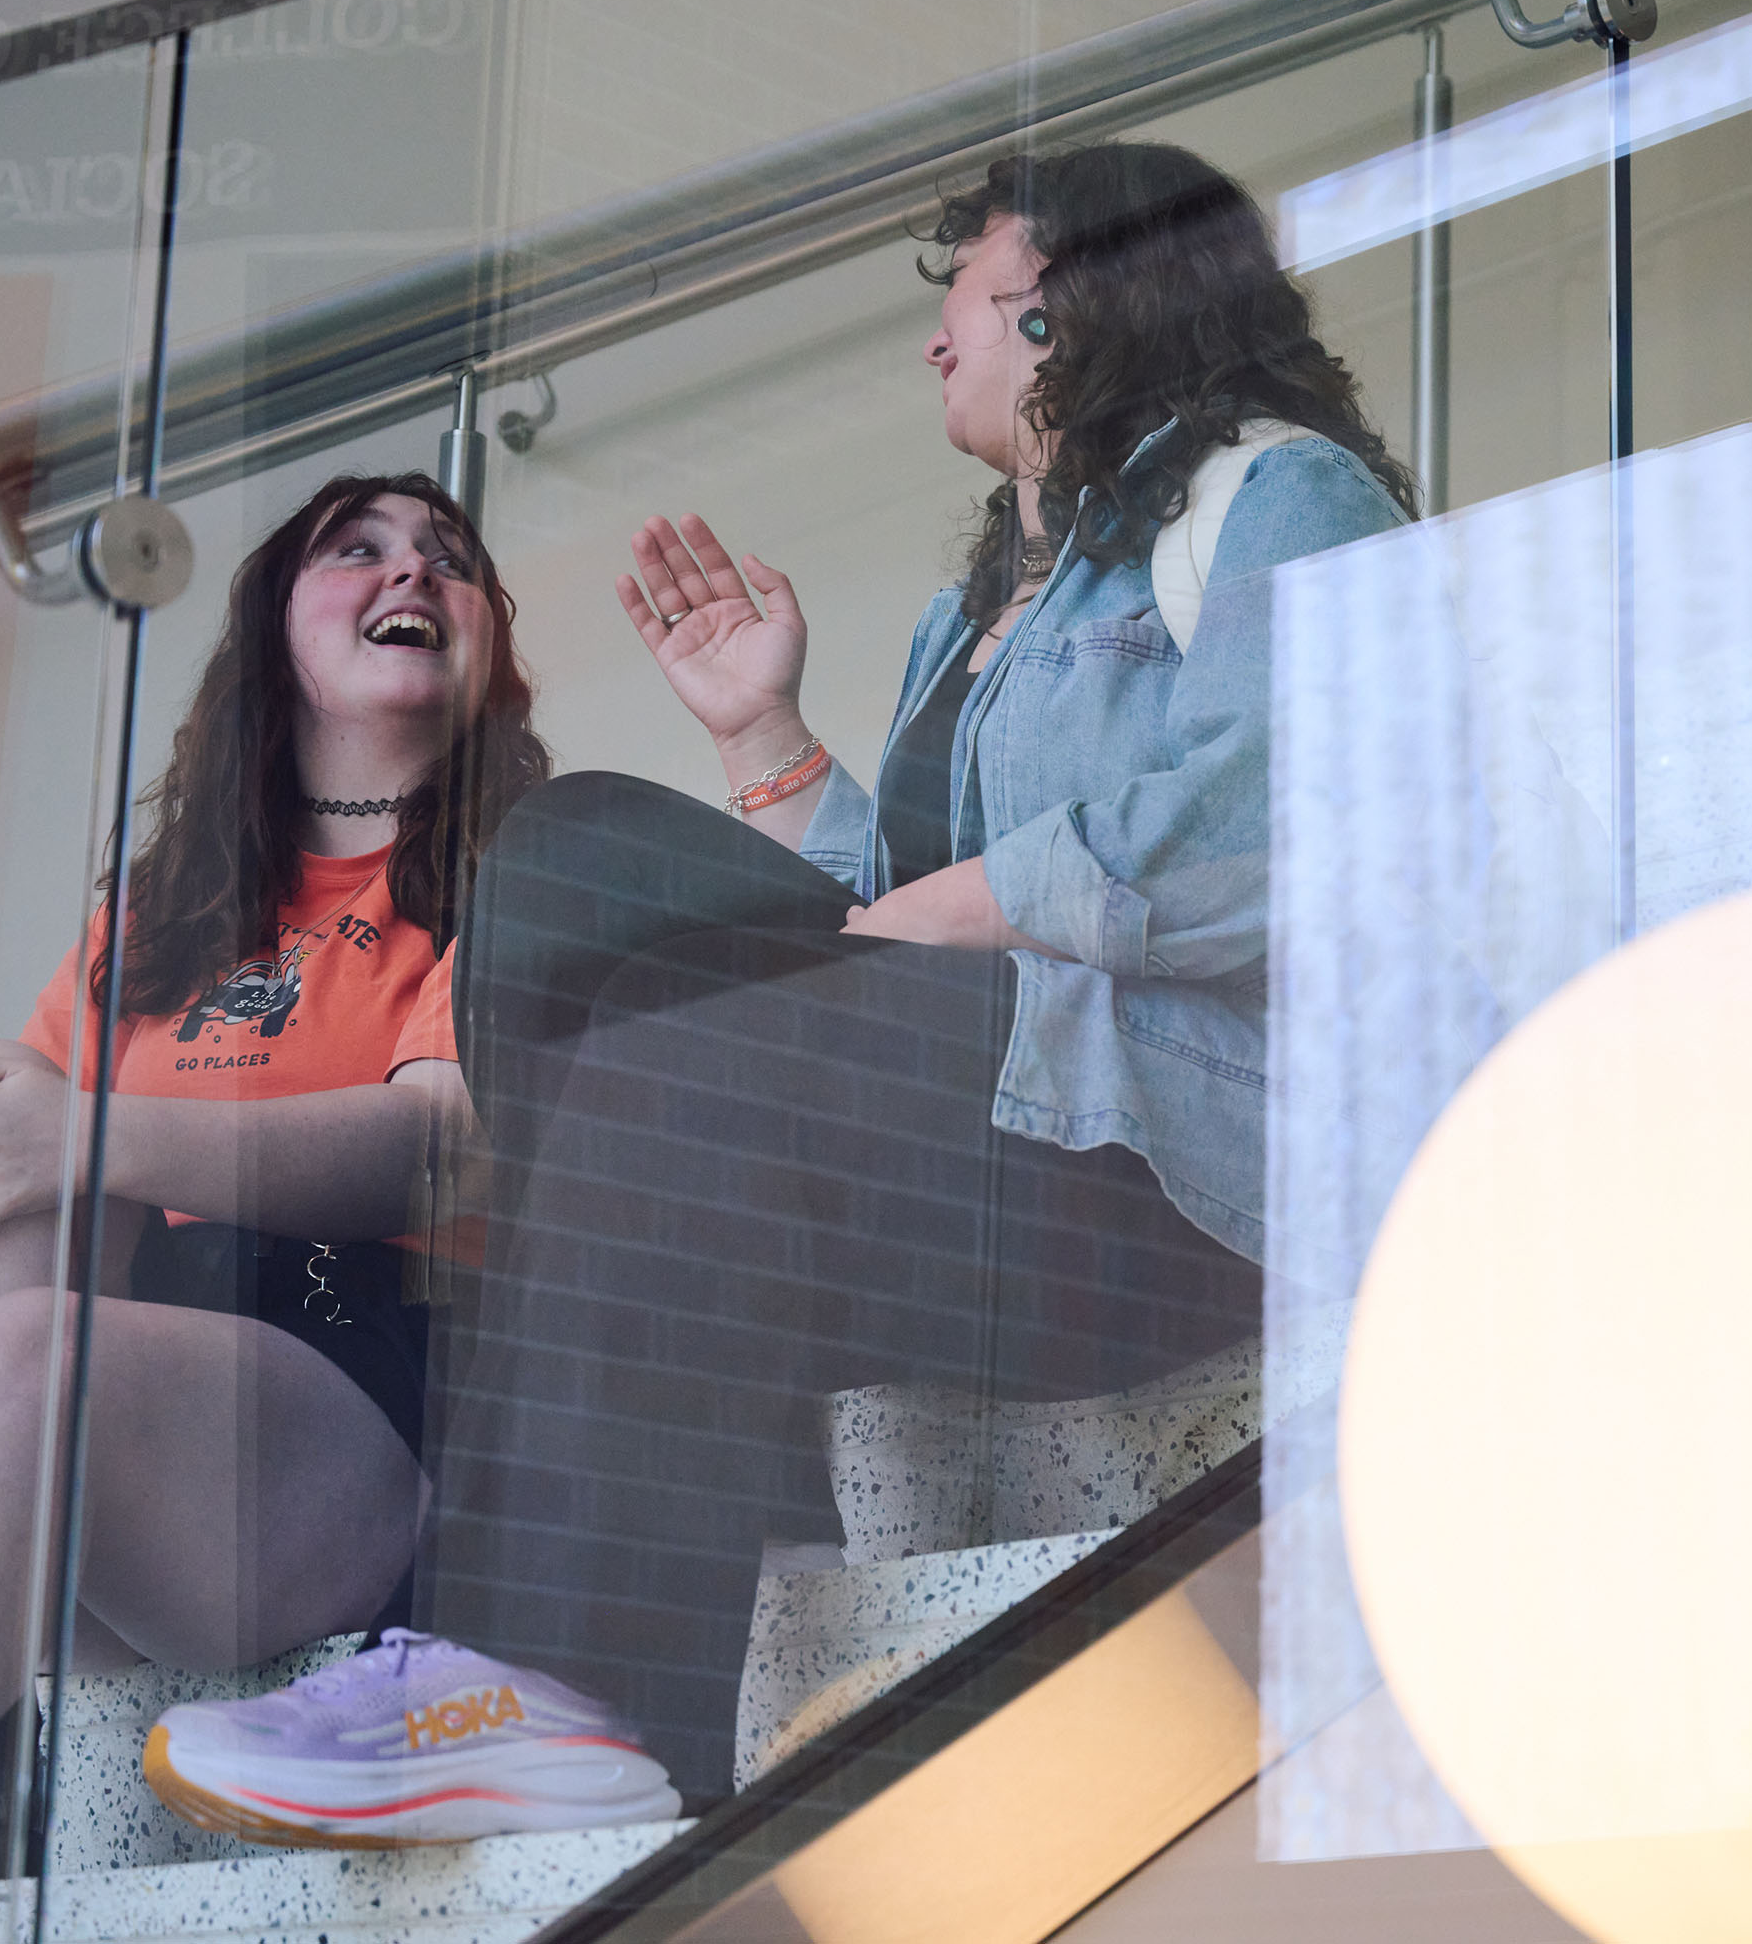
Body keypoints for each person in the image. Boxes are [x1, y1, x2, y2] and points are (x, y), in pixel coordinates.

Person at [179, 141, 1418, 1807]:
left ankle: (584, 1620)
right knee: (579, 873)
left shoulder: (1288, 498)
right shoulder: (966, 616)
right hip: (997, 1134)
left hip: (1184, 1169)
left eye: (969, 298)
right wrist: (766, 740)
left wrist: (908, 922)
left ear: (1072, 304)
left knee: (637, 1001)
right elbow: (889, 935)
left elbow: (1277, 817)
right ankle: (588, 1619)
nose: (934, 342)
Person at [0, 476, 675, 1944]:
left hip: (384, 1408)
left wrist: (81, 1132)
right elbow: (11, 1142)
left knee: (35, 1341)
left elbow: (434, 1151)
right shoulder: (159, 919)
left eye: (450, 559)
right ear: (276, 630)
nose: (412, 568)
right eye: (360, 548)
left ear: (488, 647)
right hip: (158, 1462)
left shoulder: (529, 864)